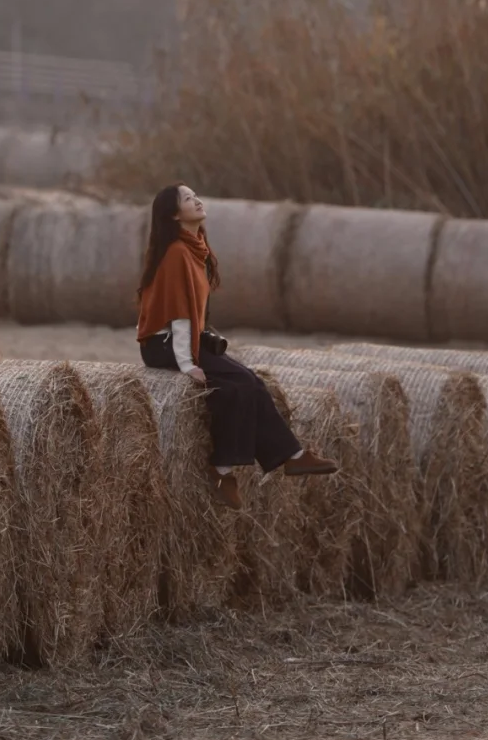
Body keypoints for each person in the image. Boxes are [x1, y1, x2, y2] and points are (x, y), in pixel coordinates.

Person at [136, 182, 337, 509]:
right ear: (174, 215)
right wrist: (187, 364)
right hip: (164, 344)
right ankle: (224, 469)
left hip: (184, 339)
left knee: (250, 383)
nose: (197, 200)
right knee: (240, 381)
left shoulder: (194, 248)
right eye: (188, 199)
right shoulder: (176, 253)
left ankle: (292, 456)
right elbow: (179, 314)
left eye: (195, 195)